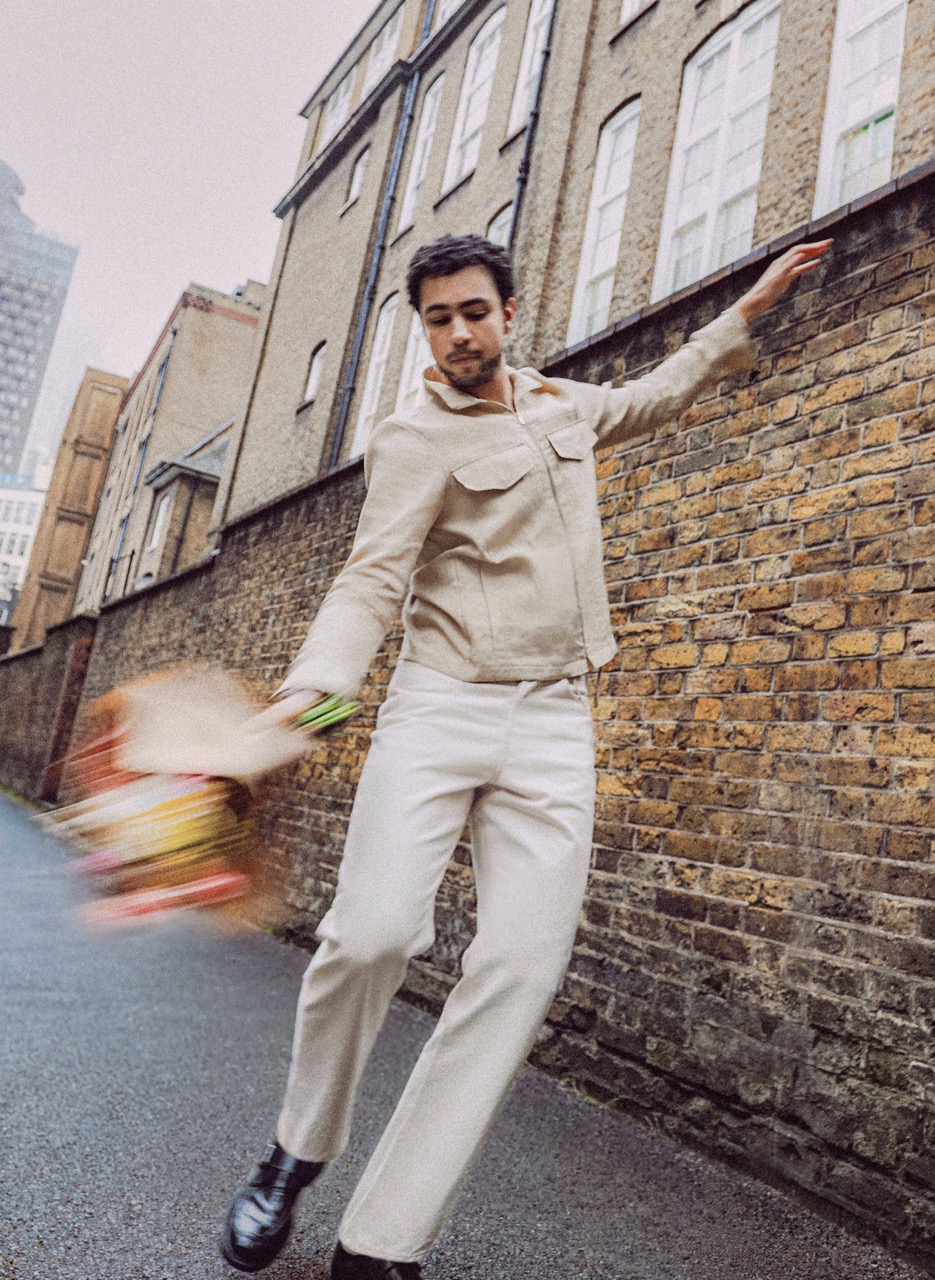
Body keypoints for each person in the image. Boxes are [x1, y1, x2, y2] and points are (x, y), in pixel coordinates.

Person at [220, 232, 831, 1278]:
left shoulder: (560, 405)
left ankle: (383, 1238)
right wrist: (308, 694)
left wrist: (750, 307)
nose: (458, 333)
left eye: (474, 311)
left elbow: (658, 394)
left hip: (553, 719)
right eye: (438, 318)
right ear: (424, 330)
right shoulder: (412, 438)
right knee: (370, 935)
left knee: (521, 967)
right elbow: (371, 578)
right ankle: (295, 1150)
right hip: (439, 705)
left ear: (508, 312)